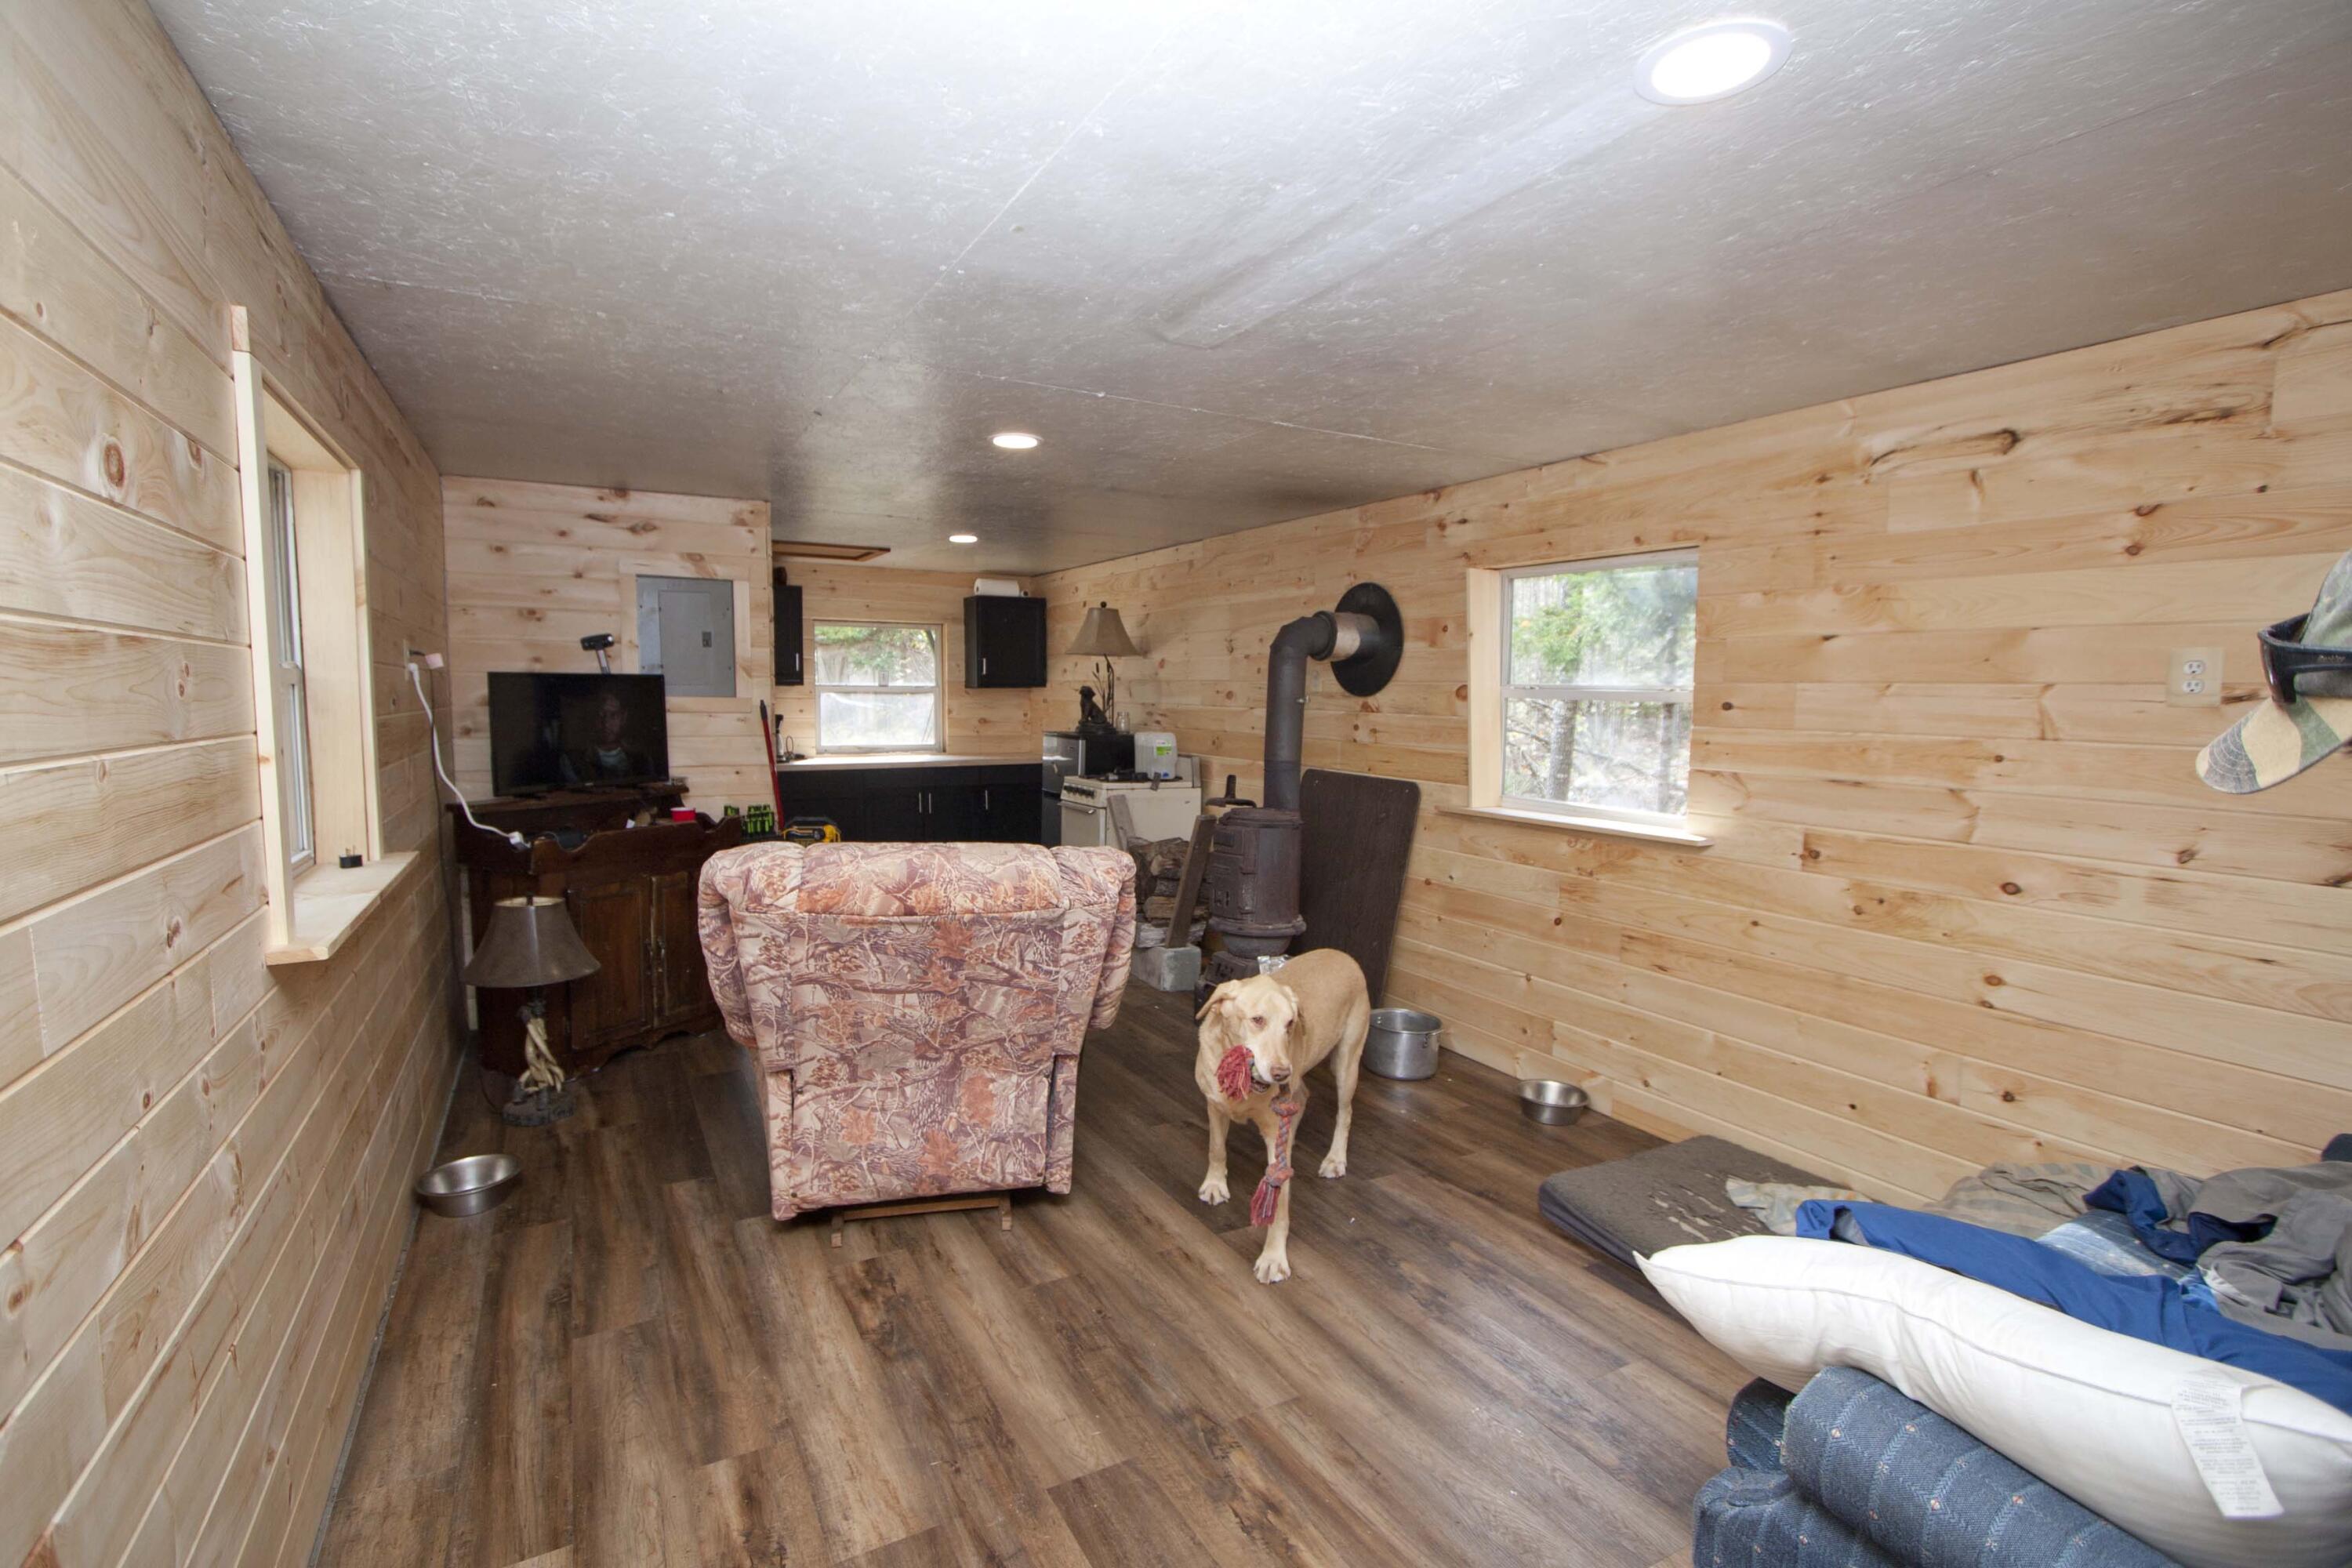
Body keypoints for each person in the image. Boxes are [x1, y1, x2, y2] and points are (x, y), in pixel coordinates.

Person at [561, 689, 653, 783]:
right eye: (600, 715)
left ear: (623, 718)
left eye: (613, 715)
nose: (606, 723)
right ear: (592, 717)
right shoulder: (572, 761)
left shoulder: (642, 758)